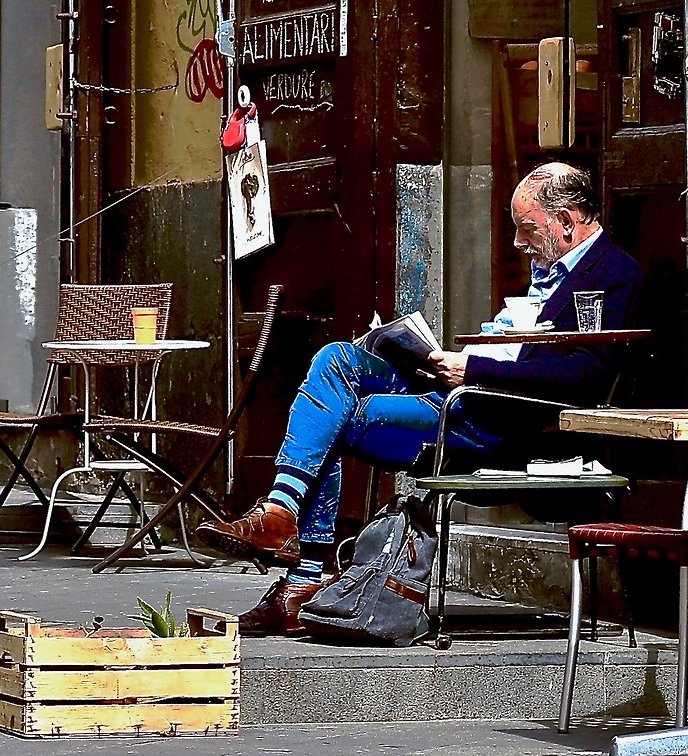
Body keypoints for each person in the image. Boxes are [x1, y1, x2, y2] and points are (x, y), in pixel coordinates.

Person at [201, 161, 642, 634]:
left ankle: (301, 572)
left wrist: (472, 366)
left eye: (526, 229)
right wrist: (457, 354)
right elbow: (521, 346)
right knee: (336, 358)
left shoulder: (612, 274)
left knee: (334, 421)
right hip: (467, 395)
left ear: (568, 221)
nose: (517, 242)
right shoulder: (550, 270)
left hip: (500, 420)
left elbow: (583, 375)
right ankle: (284, 512)